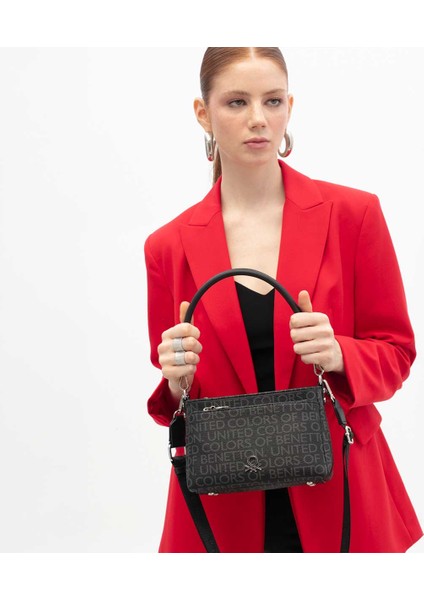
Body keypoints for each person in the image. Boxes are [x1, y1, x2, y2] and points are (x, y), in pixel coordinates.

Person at [144, 47, 423, 552]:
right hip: (224, 500)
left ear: (289, 107)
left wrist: (339, 353)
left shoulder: (353, 215)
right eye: (237, 102)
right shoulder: (168, 247)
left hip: (340, 490)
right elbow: (174, 402)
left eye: (272, 101)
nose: (258, 118)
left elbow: (397, 354)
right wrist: (176, 378)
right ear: (203, 114)